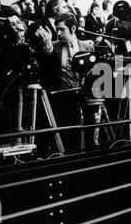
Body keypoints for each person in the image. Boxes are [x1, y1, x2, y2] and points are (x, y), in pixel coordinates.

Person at [37, 13, 94, 152]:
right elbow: (47, 71)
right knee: (63, 141)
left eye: (62, 29)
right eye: (57, 29)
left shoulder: (87, 47)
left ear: (73, 28)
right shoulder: (53, 47)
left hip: (82, 99)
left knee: (82, 141)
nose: (59, 33)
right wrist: (48, 49)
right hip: (61, 100)